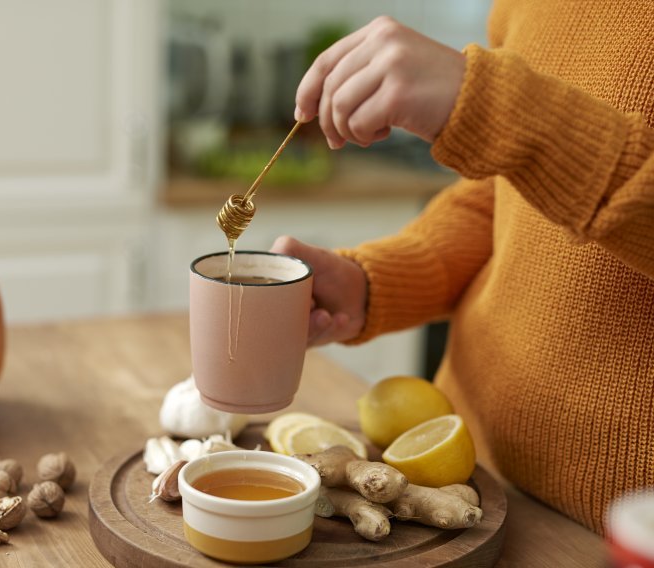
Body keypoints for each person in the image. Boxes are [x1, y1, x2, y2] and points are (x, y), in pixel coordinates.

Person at [271, 1, 654, 535]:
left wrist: (500, 110)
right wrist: (372, 283)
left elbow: (528, 140)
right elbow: (502, 196)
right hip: (464, 487)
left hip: (621, 531)